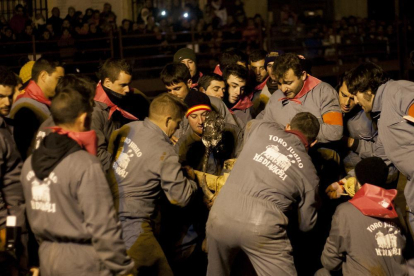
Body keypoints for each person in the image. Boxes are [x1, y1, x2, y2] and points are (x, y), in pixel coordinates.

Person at [21, 74, 134, 275]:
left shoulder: (29, 165)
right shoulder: (85, 165)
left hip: (48, 256)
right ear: (84, 118)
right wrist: (123, 268)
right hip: (84, 261)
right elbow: (103, 226)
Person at [206, 112, 320, 276]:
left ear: (288, 126)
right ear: (313, 142)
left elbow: (250, 124)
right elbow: (306, 225)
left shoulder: (263, 128)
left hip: (220, 213)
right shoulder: (310, 174)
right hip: (262, 226)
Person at [107, 93, 198, 275]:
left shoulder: (128, 128)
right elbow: (180, 197)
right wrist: (192, 181)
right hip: (133, 224)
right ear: (167, 120)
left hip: (106, 213)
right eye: (178, 123)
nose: (178, 128)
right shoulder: (164, 151)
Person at [345, 62, 414, 233]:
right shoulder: (382, 116)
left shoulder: (399, 92)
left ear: (368, 89)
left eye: (355, 95)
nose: (353, 101)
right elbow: (380, 155)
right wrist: (350, 179)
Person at [317, 157, 409, 276]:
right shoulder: (395, 209)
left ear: (357, 181)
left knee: (322, 273)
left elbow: (330, 262)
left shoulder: (345, 211)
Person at [258, 53, 343, 144]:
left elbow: (334, 131)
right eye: (279, 83)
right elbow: (265, 127)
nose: (283, 89)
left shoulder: (324, 92)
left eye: (288, 83)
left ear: (303, 75)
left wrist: (294, 133)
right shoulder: (276, 96)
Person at [92, 58, 149, 171]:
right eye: (122, 85)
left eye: (129, 84)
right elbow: (98, 154)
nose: (127, 89)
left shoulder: (131, 98)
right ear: (108, 83)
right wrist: (129, 169)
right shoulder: (94, 112)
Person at [160, 63, 238, 137]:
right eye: (169, 90)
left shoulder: (215, 103)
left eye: (177, 89)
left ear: (189, 83)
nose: (173, 94)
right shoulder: (165, 110)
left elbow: (234, 132)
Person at [9, 57, 64, 160]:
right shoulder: (26, 108)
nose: (61, 84)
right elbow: (25, 151)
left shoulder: (42, 102)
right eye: (58, 79)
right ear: (43, 76)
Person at [175, 91, 242, 175]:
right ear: (187, 118)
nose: (200, 121)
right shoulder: (182, 145)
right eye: (194, 116)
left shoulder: (232, 132)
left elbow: (242, 162)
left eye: (204, 114)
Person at [0, 67, 26, 275]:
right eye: (0, 97)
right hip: (6, 224)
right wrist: (7, 235)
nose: (7, 103)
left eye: (9, 96)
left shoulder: (5, 126)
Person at [223, 64, 253, 129]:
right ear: (224, 83)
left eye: (242, 88)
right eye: (234, 86)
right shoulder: (214, 103)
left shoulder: (246, 109)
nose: (238, 93)